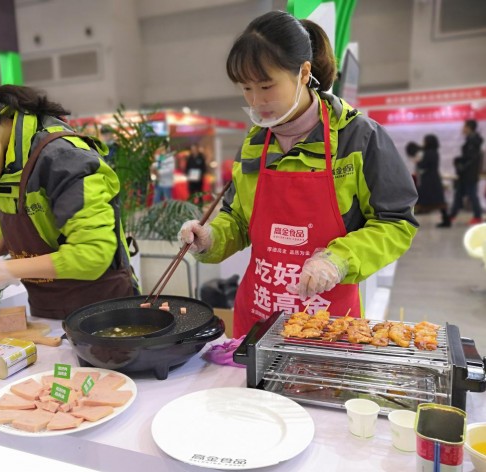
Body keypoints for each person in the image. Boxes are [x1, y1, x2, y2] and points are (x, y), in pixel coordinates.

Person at [178, 11, 419, 337]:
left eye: (266, 85)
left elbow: (396, 222)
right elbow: (238, 220)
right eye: (246, 88)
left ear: (304, 73)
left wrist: (338, 261)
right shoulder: (255, 143)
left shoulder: (357, 137)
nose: (256, 101)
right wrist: (212, 238)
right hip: (261, 315)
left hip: (328, 322)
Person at [0, 85, 138, 319]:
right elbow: (15, 218)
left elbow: (93, 254)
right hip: (47, 309)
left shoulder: (64, 158)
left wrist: (3, 270)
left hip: (104, 313)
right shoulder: (0, 160)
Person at [405, 135, 451, 227]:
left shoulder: (427, 153)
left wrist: (417, 162)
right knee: (439, 201)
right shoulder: (434, 152)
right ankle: (446, 220)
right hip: (434, 179)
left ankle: (409, 221)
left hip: (428, 181)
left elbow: (422, 165)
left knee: (421, 200)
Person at [448, 119, 484, 225]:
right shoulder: (471, 140)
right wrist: (459, 161)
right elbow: (468, 157)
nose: (462, 129)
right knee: (458, 194)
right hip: (465, 174)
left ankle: (477, 216)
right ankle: (452, 215)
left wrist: (461, 166)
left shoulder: (473, 141)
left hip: (469, 174)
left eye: (464, 126)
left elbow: (471, 159)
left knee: (472, 195)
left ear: (468, 127)